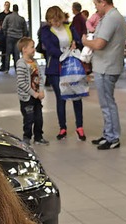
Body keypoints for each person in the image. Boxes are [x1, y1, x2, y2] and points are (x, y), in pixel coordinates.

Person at [82, 0, 126, 150]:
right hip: (105, 66)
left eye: (96, 4)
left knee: (107, 103)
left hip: (107, 67)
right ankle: (108, 133)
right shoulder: (111, 17)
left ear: (103, 2)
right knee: (106, 103)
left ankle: (113, 137)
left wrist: (85, 42)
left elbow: (100, 44)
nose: (95, 7)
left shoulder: (112, 18)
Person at [40, 6, 86, 142]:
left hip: (72, 66)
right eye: (52, 21)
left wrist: (75, 44)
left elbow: (78, 42)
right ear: (48, 20)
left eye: (57, 20)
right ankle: (63, 127)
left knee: (77, 95)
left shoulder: (69, 27)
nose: (56, 23)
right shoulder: (45, 31)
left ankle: (80, 126)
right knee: (61, 97)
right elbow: (50, 48)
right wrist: (64, 54)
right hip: (55, 67)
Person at [17, 37, 48, 146]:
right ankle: (27, 137)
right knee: (29, 119)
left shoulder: (35, 62)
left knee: (39, 118)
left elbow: (40, 77)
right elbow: (21, 83)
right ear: (24, 49)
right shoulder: (21, 63)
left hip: (37, 97)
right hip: (27, 98)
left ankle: (38, 137)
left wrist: (41, 91)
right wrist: (34, 93)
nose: (34, 49)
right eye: (32, 47)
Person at [2, 4, 28, 73]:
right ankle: (17, 69)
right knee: (17, 54)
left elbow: (3, 27)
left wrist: (6, 33)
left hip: (10, 36)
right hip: (18, 37)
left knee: (8, 54)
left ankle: (6, 69)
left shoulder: (8, 17)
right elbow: (25, 29)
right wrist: (23, 36)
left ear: (12, 9)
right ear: (18, 9)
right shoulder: (21, 18)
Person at [0, 1, 11, 72]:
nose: (7, 6)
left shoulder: (11, 14)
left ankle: (7, 66)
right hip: (2, 34)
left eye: (8, 5)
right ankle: (3, 65)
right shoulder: (1, 14)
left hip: (9, 34)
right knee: (3, 51)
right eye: (6, 5)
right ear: (4, 6)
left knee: (9, 51)